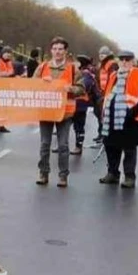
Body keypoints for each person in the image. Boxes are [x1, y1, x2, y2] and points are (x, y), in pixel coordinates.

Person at [32, 37, 84, 187]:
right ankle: (43, 173)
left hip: (65, 113)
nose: (58, 52)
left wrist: (71, 89)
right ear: (51, 51)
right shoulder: (42, 68)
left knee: (63, 145)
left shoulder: (73, 69)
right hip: (46, 111)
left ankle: (63, 176)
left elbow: (81, 89)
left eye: (61, 49)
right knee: (44, 144)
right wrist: (42, 83)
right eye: (55, 49)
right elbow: (32, 85)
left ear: (65, 51)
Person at [98, 50, 138, 189]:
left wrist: (132, 114)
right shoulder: (114, 76)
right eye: (122, 59)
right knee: (111, 146)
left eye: (127, 59)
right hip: (112, 117)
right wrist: (103, 111)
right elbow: (107, 94)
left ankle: (129, 176)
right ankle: (113, 173)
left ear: (133, 61)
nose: (124, 62)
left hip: (131, 119)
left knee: (129, 149)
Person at [72, 54, 100, 154]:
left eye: (77, 61)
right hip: (74, 103)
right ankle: (65, 145)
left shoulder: (86, 74)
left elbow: (84, 87)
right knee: (71, 126)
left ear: (81, 63)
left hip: (80, 104)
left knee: (79, 126)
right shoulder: (80, 73)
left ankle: (78, 146)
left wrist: (73, 88)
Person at [95, 47, 118, 143]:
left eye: (103, 54)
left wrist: (107, 94)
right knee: (100, 115)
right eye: (100, 54)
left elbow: (113, 80)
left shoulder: (112, 65)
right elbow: (98, 79)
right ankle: (101, 134)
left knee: (106, 116)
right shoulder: (101, 65)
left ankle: (105, 135)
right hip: (101, 93)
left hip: (108, 94)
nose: (101, 56)